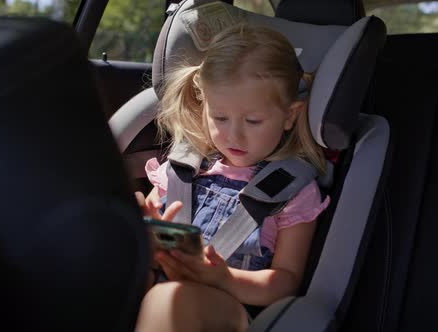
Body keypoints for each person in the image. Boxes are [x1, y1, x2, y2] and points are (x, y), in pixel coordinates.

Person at [135, 24, 330, 332]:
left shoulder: (292, 192)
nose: (234, 134)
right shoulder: (182, 172)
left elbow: (285, 282)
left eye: (253, 121)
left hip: (233, 308)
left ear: (290, 115)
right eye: (220, 118)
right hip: (164, 287)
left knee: (169, 298)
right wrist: (143, 236)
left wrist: (224, 278)